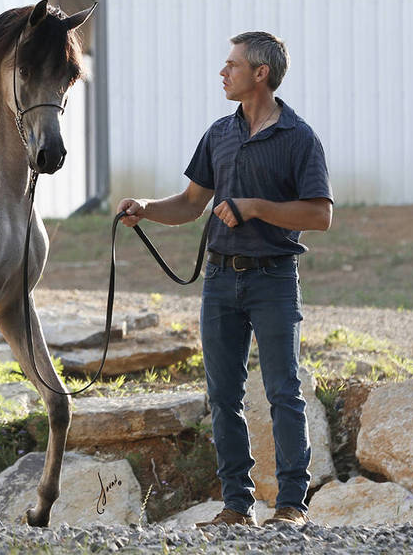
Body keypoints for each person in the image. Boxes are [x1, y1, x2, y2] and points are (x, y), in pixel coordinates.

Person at [117, 31, 332, 527]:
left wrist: (254, 207)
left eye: (232, 64)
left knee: (283, 391)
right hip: (219, 280)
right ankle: (237, 504)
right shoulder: (220, 133)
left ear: (261, 73)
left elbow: (320, 215)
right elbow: (192, 203)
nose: (223, 72)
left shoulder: (299, 138)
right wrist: (146, 209)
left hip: (274, 279)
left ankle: (291, 506)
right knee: (223, 395)